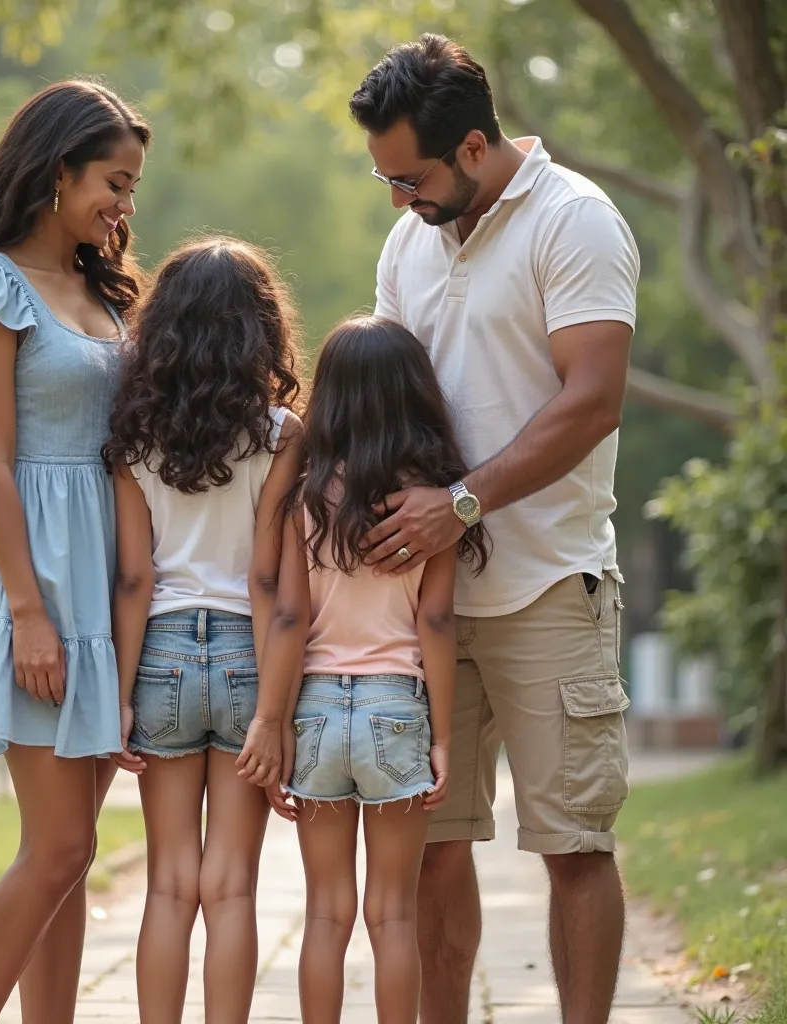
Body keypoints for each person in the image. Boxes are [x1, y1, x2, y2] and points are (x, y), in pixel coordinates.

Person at [348, 34, 640, 1024]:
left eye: (411, 177)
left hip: (548, 585)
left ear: (473, 147)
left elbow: (592, 398)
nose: (399, 201)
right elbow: (387, 405)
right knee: (432, 846)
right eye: (386, 179)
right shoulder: (407, 244)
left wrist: (461, 502)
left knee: (572, 846)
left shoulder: (575, 221)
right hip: (425, 604)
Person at [0, 81, 150, 1024]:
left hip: (101, 573)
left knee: (76, 849)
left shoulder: (101, 289)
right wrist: (28, 614)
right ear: (58, 171)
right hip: (34, 578)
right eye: (112, 182)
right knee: (56, 846)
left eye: (132, 188)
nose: (124, 206)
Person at [241, 316, 489, 1024]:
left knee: (325, 914)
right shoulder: (433, 504)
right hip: (396, 711)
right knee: (393, 916)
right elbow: (435, 623)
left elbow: (288, 618)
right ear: (415, 394)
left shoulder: (307, 497)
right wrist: (443, 735)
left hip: (316, 712)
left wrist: (275, 721)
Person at [105, 237, 303, 1024]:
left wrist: (118, 697)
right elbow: (268, 580)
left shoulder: (130, 437)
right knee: (232, 885)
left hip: (158, 660)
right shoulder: (282, 435)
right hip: (246, 659)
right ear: (259, 330)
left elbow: (133, 579)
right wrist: (274, 712)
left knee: (167, 882)